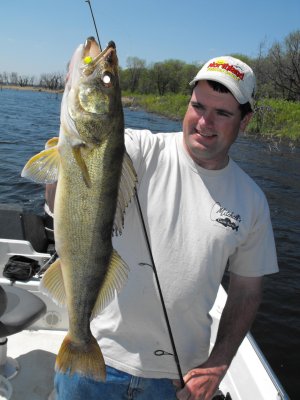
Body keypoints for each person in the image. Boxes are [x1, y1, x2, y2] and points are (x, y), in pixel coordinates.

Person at [54, 56, 278, 400]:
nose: (205, 122)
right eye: (198, 106)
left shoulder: (252, 201)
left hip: (176, 380)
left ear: (245, 121)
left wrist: (217, 365)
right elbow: (70, 179)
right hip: (96, 358)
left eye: (223, 113)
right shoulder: (139, 149)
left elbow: (247, 291)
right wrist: (75, 94)